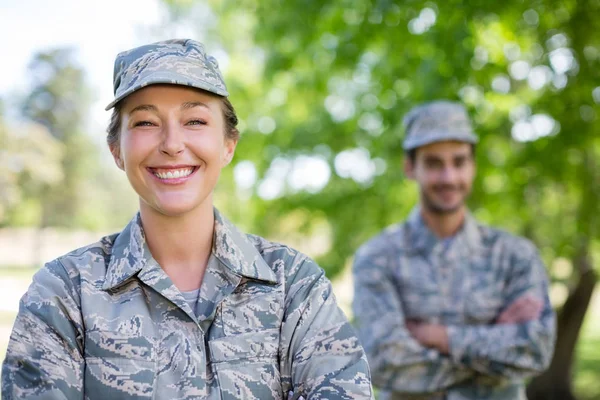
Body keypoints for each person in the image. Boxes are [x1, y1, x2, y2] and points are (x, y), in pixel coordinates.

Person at [2, 39, 373, 400]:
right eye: (146, 122)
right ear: (116, 150)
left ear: (228, 145)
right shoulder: (65, 293)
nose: (172, 143)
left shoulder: (293, 285)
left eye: (194, 120)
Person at [352, 100, 555, 400]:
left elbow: (535, 350)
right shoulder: (377, 258)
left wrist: (436, 337)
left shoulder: (515, 255)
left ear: (472, 166)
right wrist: (494, 350)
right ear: (410, 167)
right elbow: (382, 361)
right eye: (434, 163)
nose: (449, 177)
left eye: (459, 161)